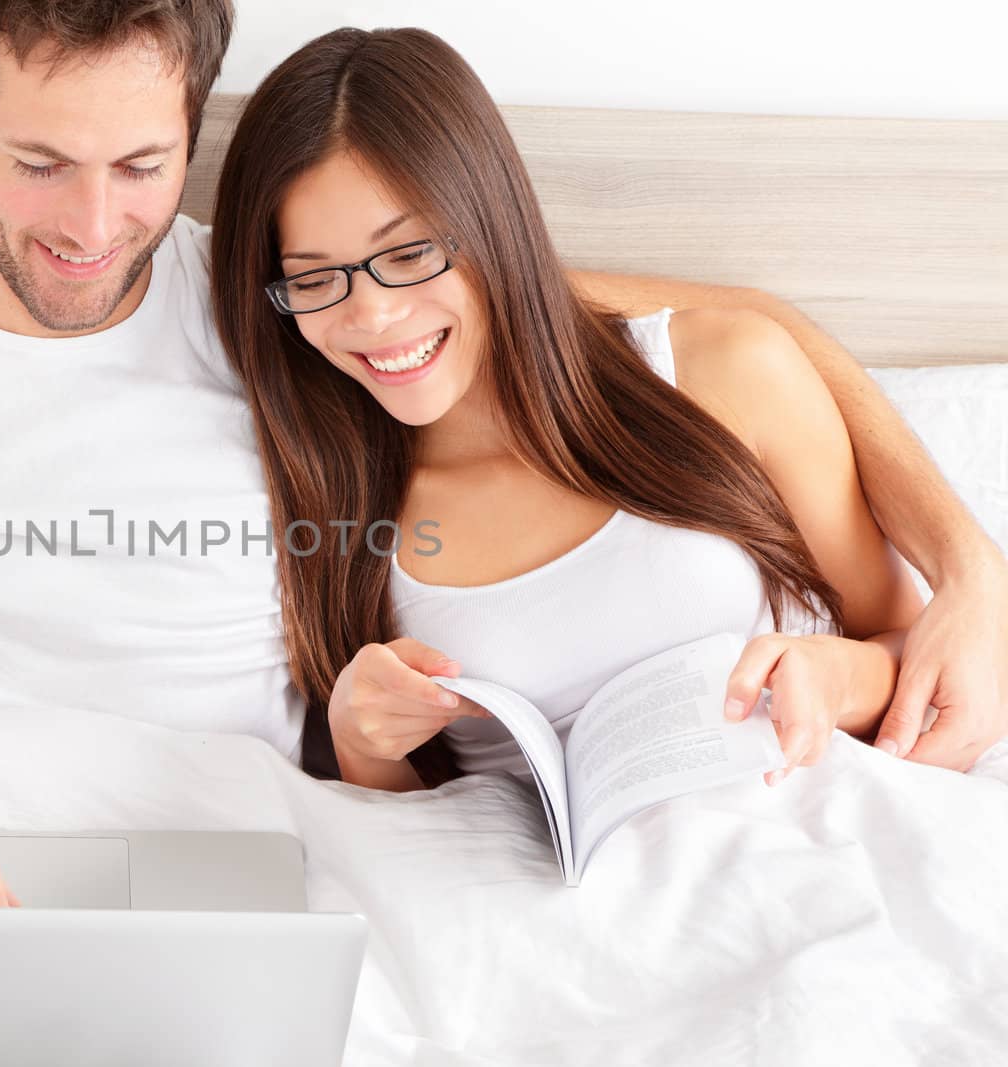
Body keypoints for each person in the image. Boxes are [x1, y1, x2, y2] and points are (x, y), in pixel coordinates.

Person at [0, 2, 1008, 903]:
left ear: (190, 134)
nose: (91, 225)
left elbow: (720, 323)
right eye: (38, 165)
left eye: (143, 166)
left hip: (278, 864)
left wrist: (969, 563)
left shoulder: (276, 304)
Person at [206, 25, 952, 791]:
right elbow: (414, 842)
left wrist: (834, 677)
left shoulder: (729, 368)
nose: (373, 315)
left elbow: (910, 646)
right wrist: (363, 744)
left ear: (491, 222)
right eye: (316, 278)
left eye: (408, 254)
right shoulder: (336, 506)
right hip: (546, 895)